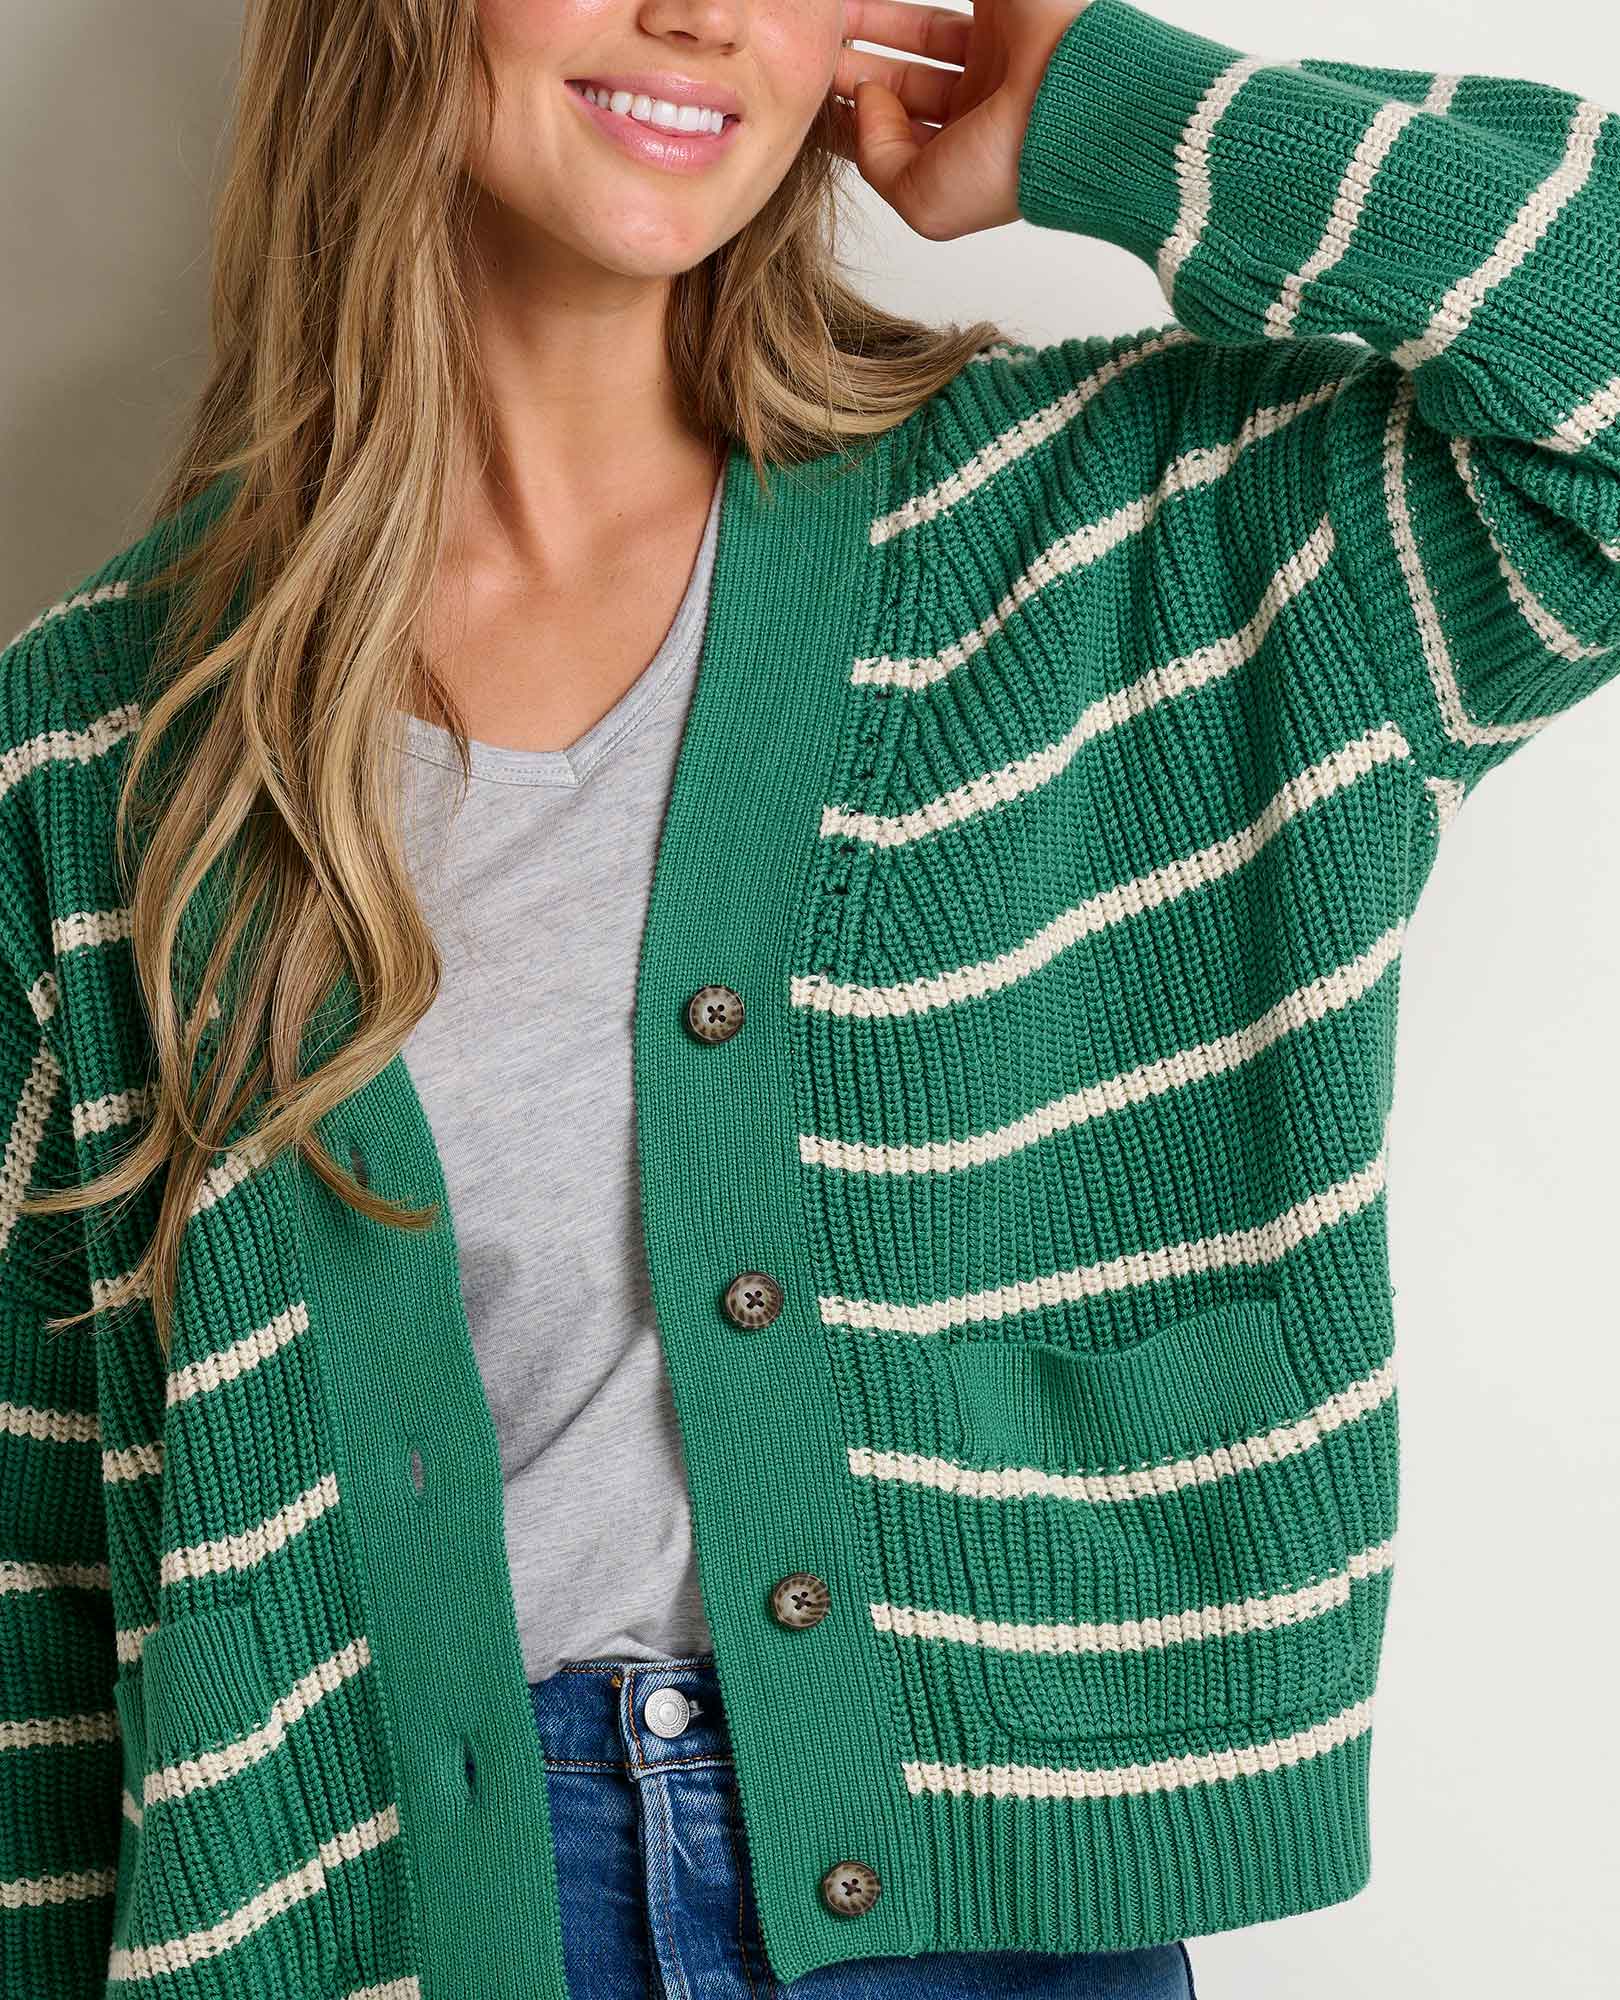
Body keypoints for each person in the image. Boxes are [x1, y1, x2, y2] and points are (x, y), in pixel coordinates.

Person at [2, 0, 1616, 1994]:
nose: (700, 12)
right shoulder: (101, 759)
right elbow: (38, 1600)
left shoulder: (1123, 530)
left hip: (987, 1912)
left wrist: (1114, 106)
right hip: (399, 1915)